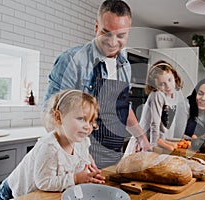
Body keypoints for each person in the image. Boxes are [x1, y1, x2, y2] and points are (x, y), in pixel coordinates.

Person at [42, 0, 151, 169]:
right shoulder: (73, 61)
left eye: (120, 36)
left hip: (112, 158)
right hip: (77, 163)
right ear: (95, 27)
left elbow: (123, 108)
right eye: (106, 33)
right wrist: (80, 154)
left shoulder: (125, 66)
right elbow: (50, 118)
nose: (113, 42)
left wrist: (141, 138)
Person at [0, 90, 105, 199]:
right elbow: (44, 182)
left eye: (91, 122)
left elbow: (80, 166)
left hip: (42, 194)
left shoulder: (82, 142)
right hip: (12, 193)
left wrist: (88, 175)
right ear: (58, 117)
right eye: (81, 118)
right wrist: (76, 178)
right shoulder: (49, 146)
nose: (87, 126)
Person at [125, 61, 189, 155]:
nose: (167, 86)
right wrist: (154, 148)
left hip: (161, 144)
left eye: (169, 80)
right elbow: (154, 124)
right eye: (162, 84)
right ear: (154, 85)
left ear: (174, 76)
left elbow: (168, 124)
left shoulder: (175, 95)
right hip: (145, 144)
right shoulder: (157, 95)